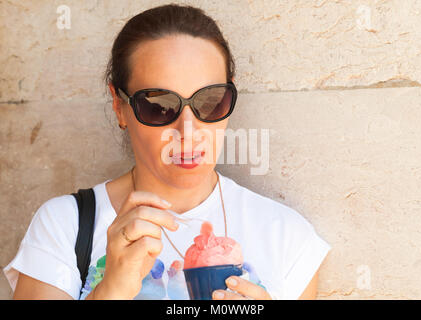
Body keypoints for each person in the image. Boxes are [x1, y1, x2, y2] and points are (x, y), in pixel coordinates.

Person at [3, 4, 331, 300]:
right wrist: (111, 291)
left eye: (209, 100)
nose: (187, 133)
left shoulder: (287, 237)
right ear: (120, 106)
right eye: (159, 106)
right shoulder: (64, 225)